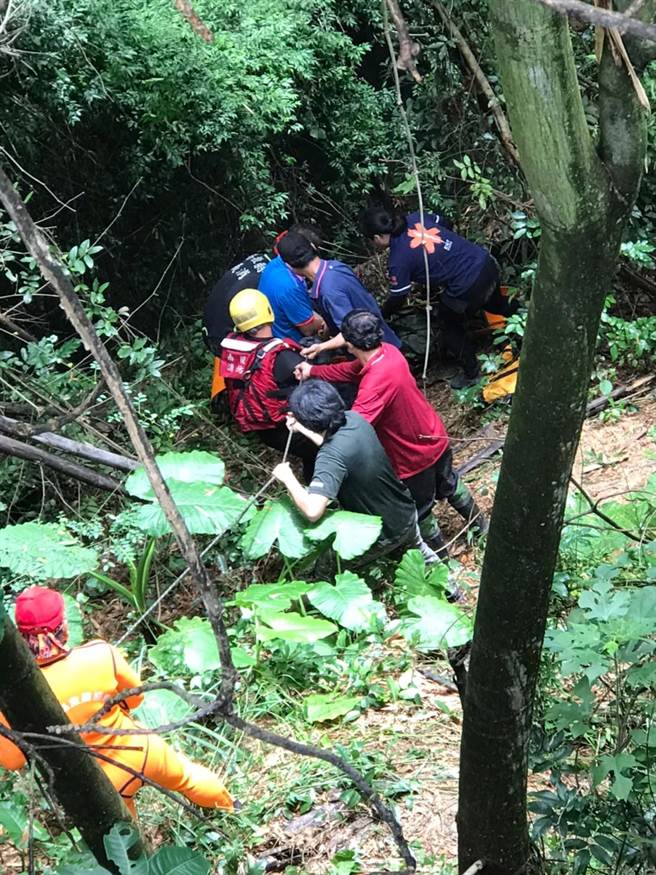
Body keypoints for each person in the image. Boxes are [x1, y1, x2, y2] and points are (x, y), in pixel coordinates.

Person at [0, 587, 233, 819]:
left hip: (102, 782)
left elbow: (13, 760)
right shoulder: (100, 654)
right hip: (141, 748)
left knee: (125, 830)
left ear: (21, 638)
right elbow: (136, 698)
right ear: (64, 625)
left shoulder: (17, 696)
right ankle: (232, 809)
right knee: (187, 777)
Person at [295, 310, 488, 558]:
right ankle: (482, 526)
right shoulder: (388, 352)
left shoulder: (375, 384)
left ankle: (443, 560)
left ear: (351, 344)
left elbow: (354, 432)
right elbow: (349, 370)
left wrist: (306, 428)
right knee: (450, 482)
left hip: (411, 456)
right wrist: (313, 371)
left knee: (421, 510)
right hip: (433, 435)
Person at [272, 380, 438, 567]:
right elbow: (335, 446)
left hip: (383, 533)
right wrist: (302, 427)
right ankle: (451, 582)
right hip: (404, 510)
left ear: (309, 419)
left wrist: (288, 478)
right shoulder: (354, 419)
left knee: (326, 567)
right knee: (422, 555)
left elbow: (312, 511)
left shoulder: (330, 457)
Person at [361, 205, 517, 388]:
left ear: (378, 237)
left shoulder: (398, 261)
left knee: (448, 324)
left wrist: (382, 314)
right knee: (494, 303)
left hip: (467, 284)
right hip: (484, 262)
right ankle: (526, 318)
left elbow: (399, 296)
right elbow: (446, 223)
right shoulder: (416, 217)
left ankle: (472, 373)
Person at [220, 288, 317, 481]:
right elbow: (314, 379)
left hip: (261, 428)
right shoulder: (281, 357)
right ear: (268, 312)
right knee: (321, 449)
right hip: (286, 427)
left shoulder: (235, 348)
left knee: (309, 454)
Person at [276, 231, 401, 360]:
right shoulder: (336, 266)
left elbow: (354, 332)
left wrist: (321, 347)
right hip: (387, 341)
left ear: (289, 266)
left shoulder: (328, 291)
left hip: (377, 355)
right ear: (312, 246)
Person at [258, 224, 328, 343]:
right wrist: (326, 323)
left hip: (279, 326)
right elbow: (309, 329)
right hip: (290, 342)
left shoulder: (275, 263)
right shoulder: (290, 286)